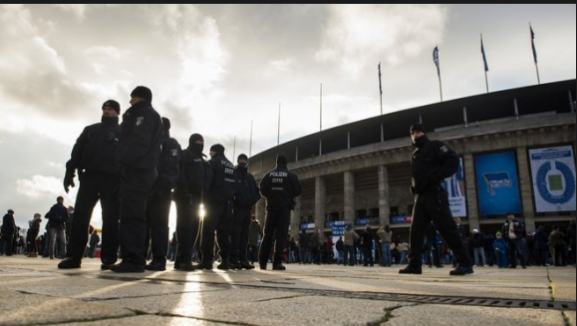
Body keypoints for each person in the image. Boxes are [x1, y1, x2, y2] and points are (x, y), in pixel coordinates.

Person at [399, 123, 473, 276]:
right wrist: (413, 187)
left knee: (447, 229)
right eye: (413, 133)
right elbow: (417, 175)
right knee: (416, 232)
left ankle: (465, 263)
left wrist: (438, 176)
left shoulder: (435, 146)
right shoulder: (415, 154)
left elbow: (453, 160)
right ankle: (414, 264)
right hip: (421, 197)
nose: (416, 135)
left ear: (424, 133)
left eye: (418, 132)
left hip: (435, 194)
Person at [58, 100, 122, 270]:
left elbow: (127, 158)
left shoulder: (123, 132)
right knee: (80, 216)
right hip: (90, 176)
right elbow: (77, 152)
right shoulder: (91, 130)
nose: (106, 111)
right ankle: (74, 256)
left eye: (110, 109)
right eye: (105, 109)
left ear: (117, 112)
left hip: (112, 179)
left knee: (111, 218)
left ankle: (109, 257)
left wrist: (124, 181)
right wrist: (69, 173)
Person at [111, 86, 163, 273]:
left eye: (131, 97)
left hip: (138, 170)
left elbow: (139, 142)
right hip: (140, 170)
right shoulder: (143, 114)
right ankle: (132, 257)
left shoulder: (144, 115)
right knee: (132, 214)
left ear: (137, 97)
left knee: (132, 215)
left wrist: (122, 162)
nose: (129, 101)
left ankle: (133, 259)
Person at [144, 117, 181, 271]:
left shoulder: (170, 144)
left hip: (161, 190)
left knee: (159, 224)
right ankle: (138, 256)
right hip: (146, 188)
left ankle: (159, 259)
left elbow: (173, 167)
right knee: (142, 223)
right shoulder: (149, 142)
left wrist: (163, 185)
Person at [195, 144, 237, 271]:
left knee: (208, 231)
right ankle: (225, 260)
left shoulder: (212, 163)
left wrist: (202, 199)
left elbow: (206, 181)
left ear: (214, 152)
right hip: (228, 203)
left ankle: (207, 260)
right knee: (224, 233)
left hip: (213, 201)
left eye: (210, 152)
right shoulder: (231, 165)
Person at [258, 154, 302, 271]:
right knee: (280, 236)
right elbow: (298, 190)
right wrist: (287, 195)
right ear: (286, 163)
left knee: (267, 236)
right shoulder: (291, 176)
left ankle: (262, 262)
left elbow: (262, 190)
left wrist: (271, 196)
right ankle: (277, 262)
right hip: (284, 209)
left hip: (271, 209)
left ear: (276, 163)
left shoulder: (268, 175)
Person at [173, 133, 209, 271]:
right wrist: (183, 192)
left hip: (197, 199)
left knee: (193, 229)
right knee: (185, 228)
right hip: (185, 196)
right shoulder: (185, 155)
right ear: (193, 141)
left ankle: (181, 259)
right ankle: (184, 259)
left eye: (203, 140)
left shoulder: (202, 159)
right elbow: (180, 173)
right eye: (199, 140)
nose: (201, 143)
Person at [230, 153, 261, 269]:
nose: (242, 161)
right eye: (241, 159)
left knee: (244, 236)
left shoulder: (250, 177)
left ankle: (243, 259)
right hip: (236, 209)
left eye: (244, 159)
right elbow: (230, 190)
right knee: (235, 234)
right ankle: (233, 259)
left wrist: (250, 202)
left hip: (247, 210)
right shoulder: (234, 174)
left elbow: (257, 193)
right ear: (238, 161)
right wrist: (235, 200)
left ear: (247, 161)